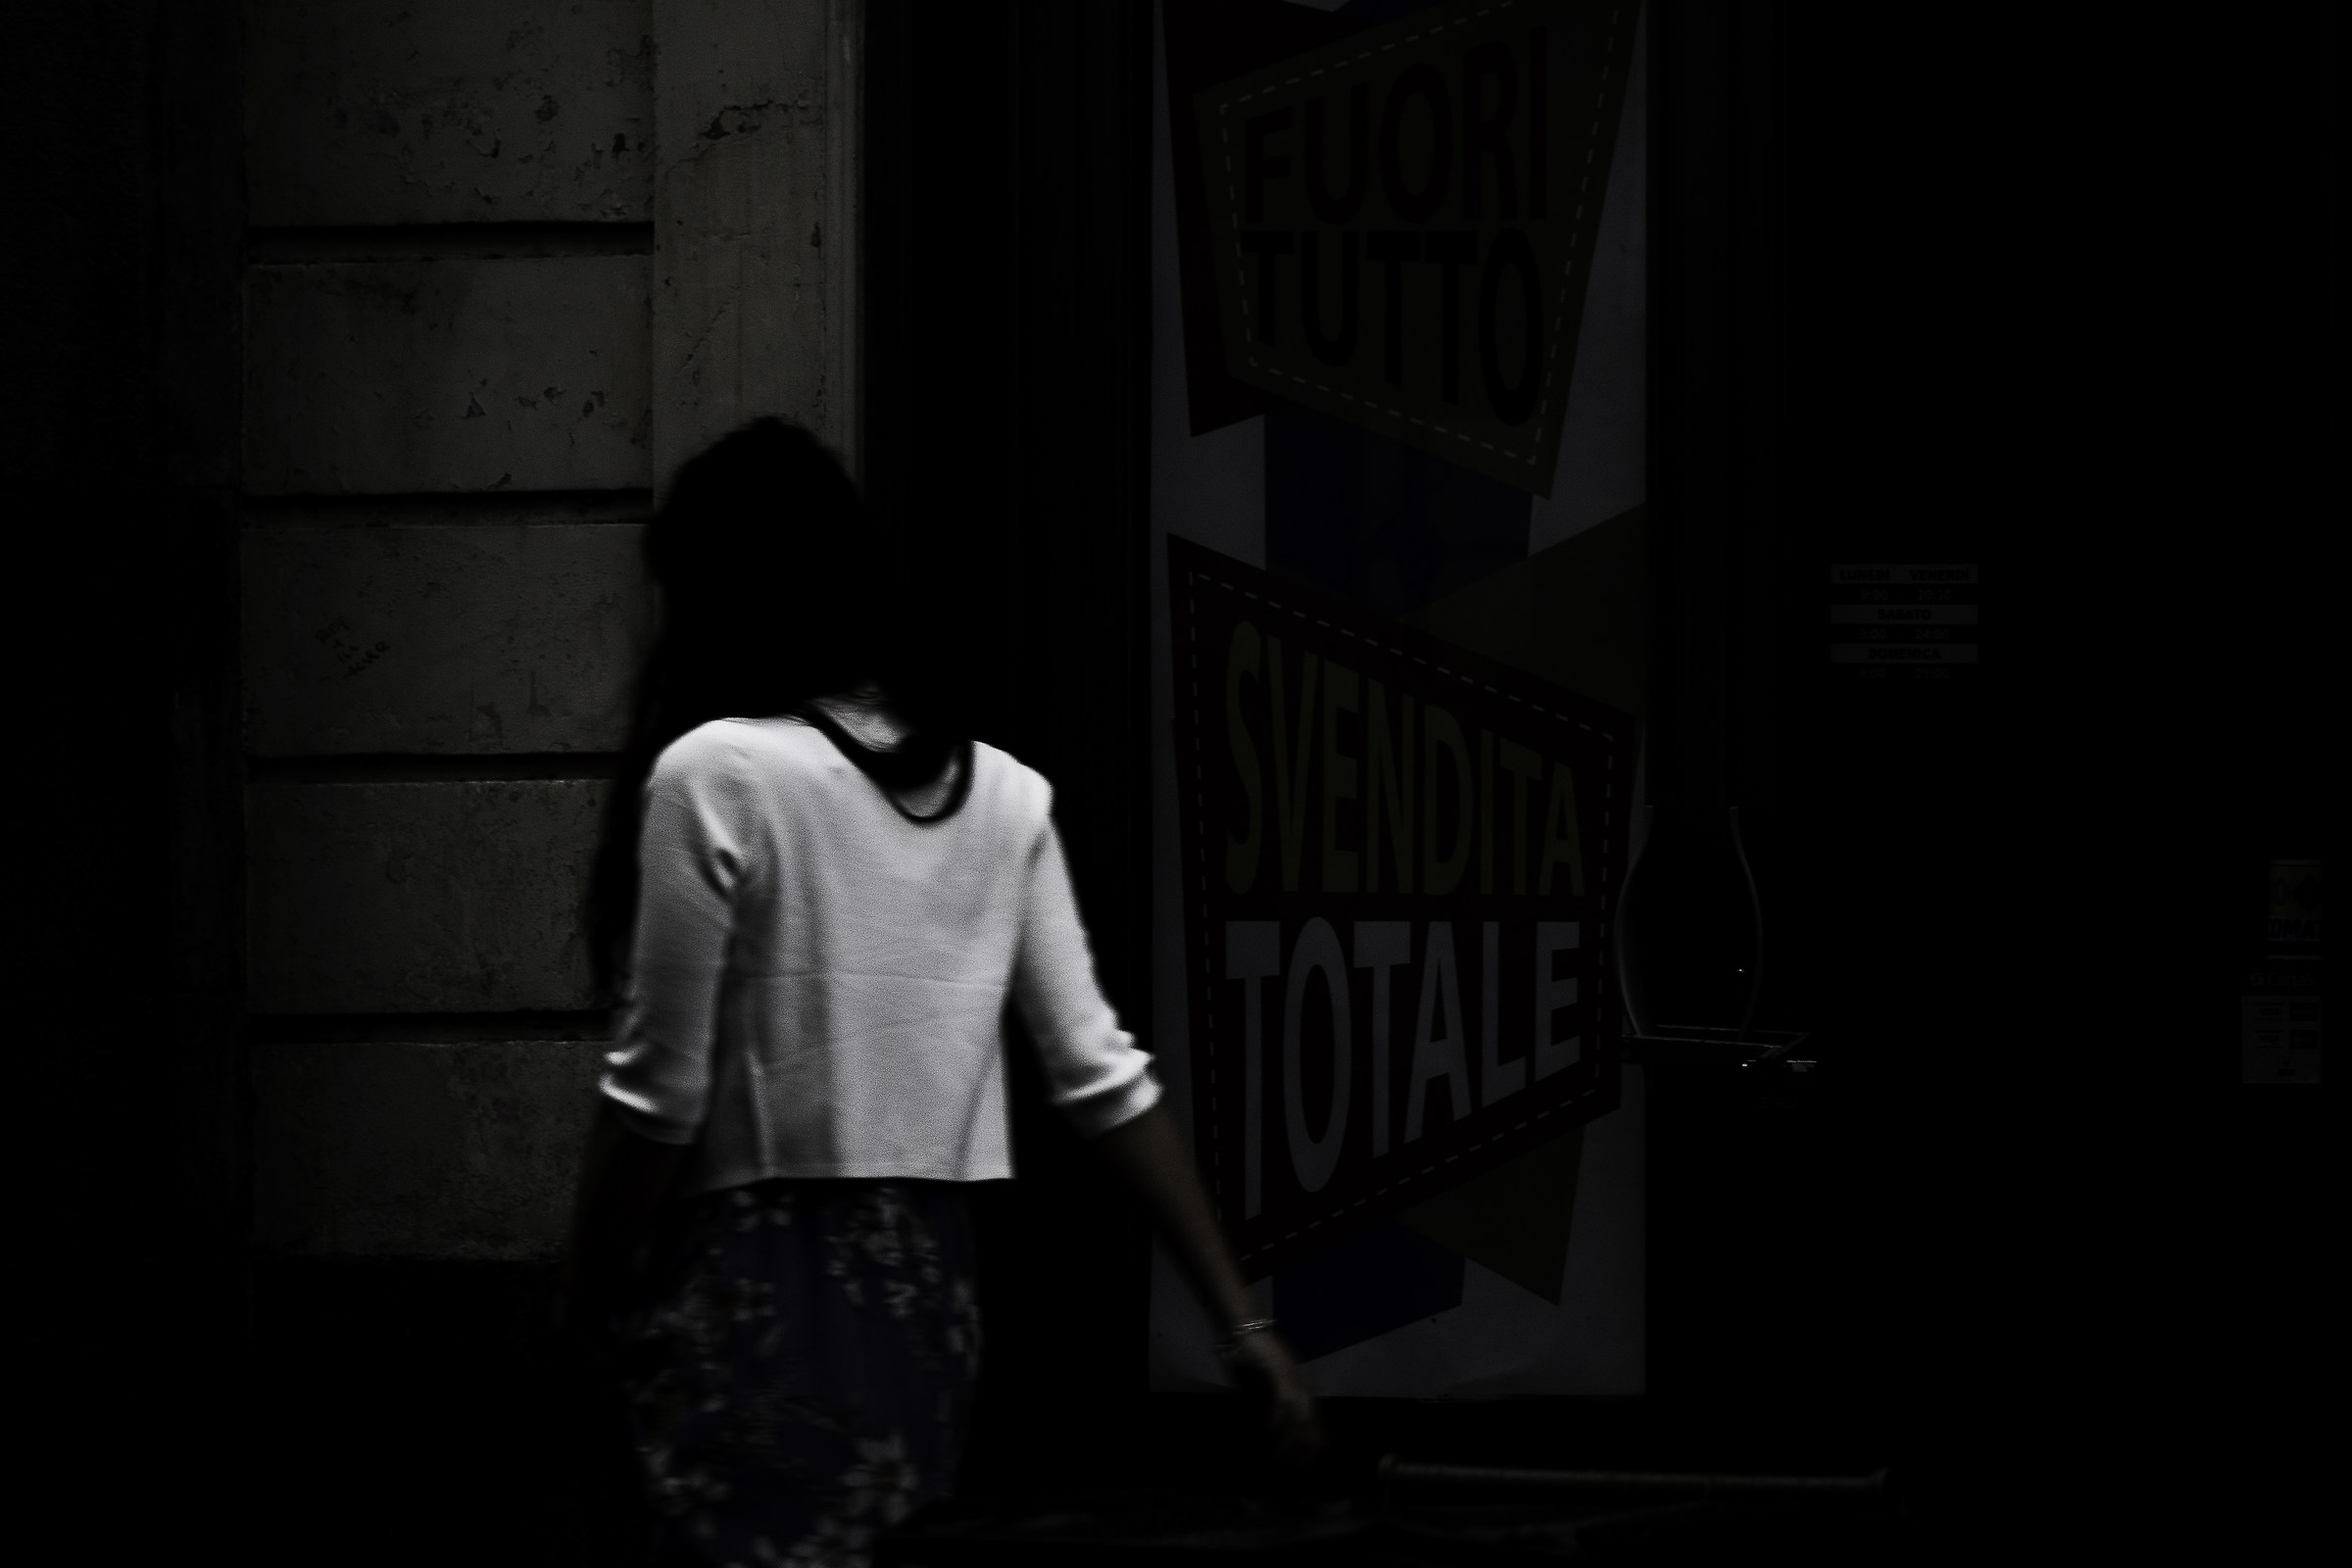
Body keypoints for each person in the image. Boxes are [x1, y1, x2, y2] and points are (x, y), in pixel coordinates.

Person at [555, 417, 1319, 1566]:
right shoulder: (1004, 795)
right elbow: (1104, 1080)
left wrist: (582, 1296)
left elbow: (657, 1096)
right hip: (927, 1297)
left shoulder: (714, 773)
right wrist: (1243, 1321)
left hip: (748, 1282)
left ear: (714, 595)